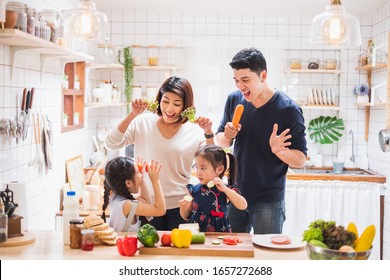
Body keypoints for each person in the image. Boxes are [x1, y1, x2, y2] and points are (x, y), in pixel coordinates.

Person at [216, 47, 307, 234]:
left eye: (245, 80)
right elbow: (221, 142)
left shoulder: (288, 110)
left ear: (263, 75)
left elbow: (300, 160)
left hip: (269, 202)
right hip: (235, 194)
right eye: (236, 80)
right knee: (232, 253)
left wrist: (279, 151)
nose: (240, 86)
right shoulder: (234, 100)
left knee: (266, 255)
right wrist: (227, 135)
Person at [105, 76, 214, 230]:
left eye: (177, 104)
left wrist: (208, 133)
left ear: (186, 106)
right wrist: (132, 115)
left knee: (177, 252)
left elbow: (212, 162)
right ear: (159, 99)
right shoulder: (143, 122)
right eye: (165, 101)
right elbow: (111, 143)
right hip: (148, 206)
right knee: (148, 252)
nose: (169, 109)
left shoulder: (194, 131)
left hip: (180, 207)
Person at [179, 144, 247, 232]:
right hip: (196, 232)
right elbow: (185, 216)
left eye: (203, 168)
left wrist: (226, 190)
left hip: (219, 232)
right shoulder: (192, 190)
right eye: (196, 167)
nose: (198, 172)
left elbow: (243, 205)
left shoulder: (226, 189)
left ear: (219, 169)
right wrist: (183, 208)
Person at [101, 157, 165, 232]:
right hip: (126, 243)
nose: (140, 175)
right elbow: (160, 210)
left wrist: (140, 179)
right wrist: (156, 181)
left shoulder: (115, 197)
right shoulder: (127, 205)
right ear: (128, 183)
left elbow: (145, 201)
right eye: (137, 173)